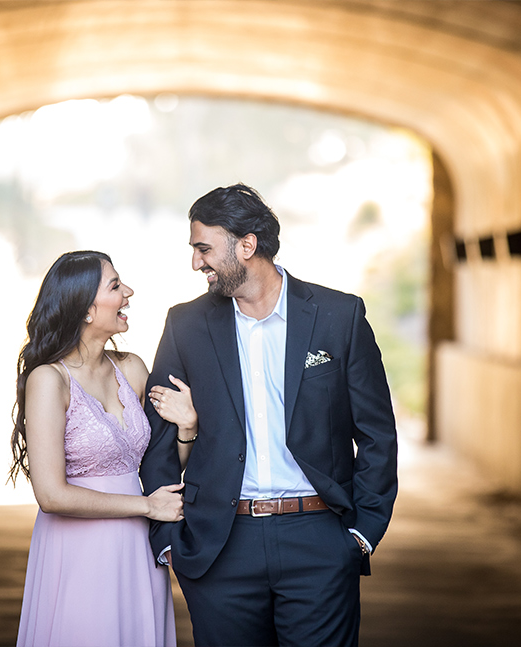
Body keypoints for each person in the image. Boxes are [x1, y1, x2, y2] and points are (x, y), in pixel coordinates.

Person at [141, 184, 399, 647]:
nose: (196, 263)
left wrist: (361, 534)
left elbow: (377, 433)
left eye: (204, 248)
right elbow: (156, 440)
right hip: (221, 547)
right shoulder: (185, 325)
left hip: (319, 539)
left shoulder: (340, 316)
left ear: (247, 244)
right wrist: (168, 538)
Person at [10, 250, 197, 647]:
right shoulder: (50, 380)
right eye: (115, 286)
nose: (128, 292)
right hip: (79, 551)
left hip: (136, 548)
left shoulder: (132, 368)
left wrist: (188, 428)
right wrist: (147, 507)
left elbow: (158, 466)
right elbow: (50, 495)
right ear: (85, 310)